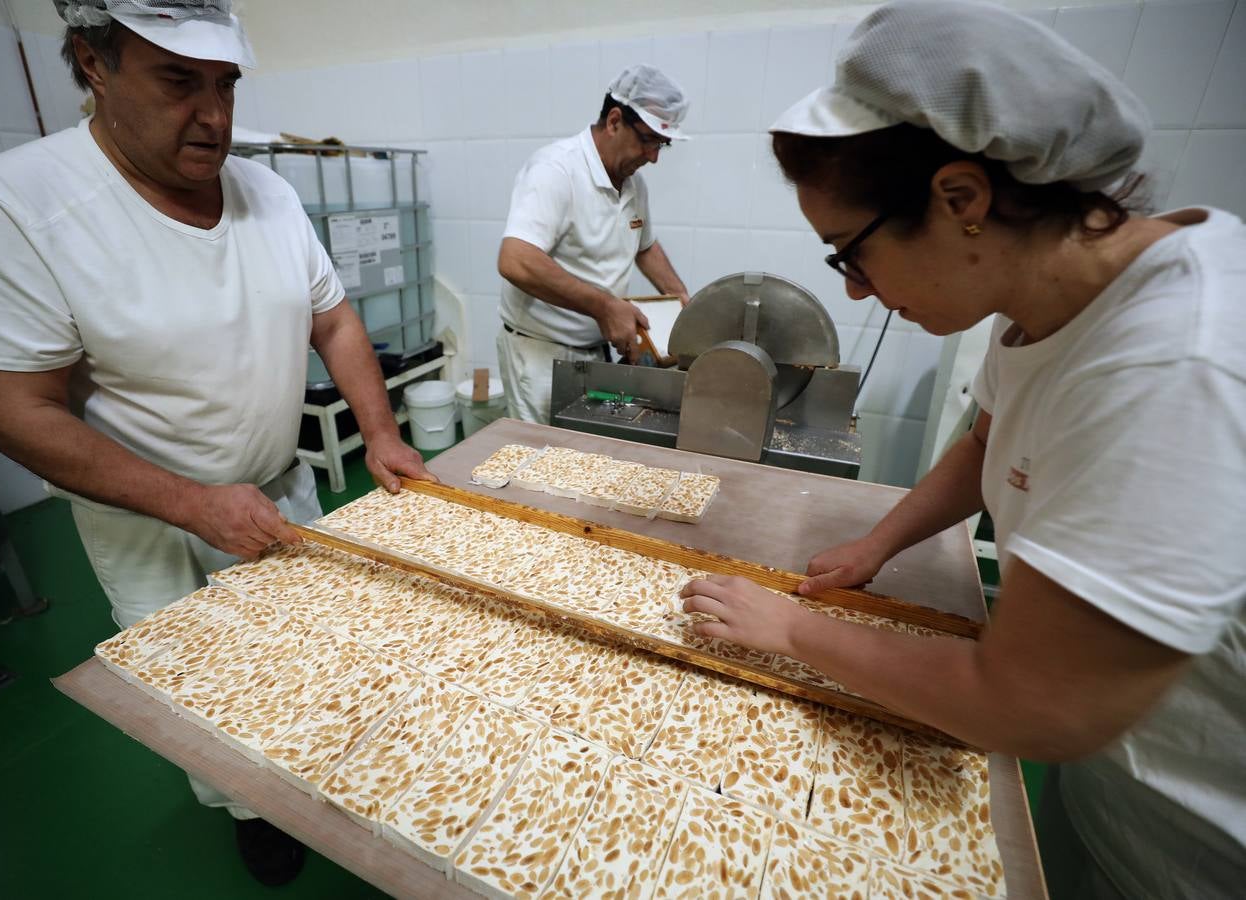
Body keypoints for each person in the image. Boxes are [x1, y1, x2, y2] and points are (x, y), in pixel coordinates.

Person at [678, 3, 1245, 898]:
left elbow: (1035, 703)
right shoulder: (1053, 294)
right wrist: (877, 545)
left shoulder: (1177, 362)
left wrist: (791, 629)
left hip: (1203, 838)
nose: (856, 291)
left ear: (962, 200)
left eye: (850, 253)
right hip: (1116, 787)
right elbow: (989, 437)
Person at [0, 0, 430, 885]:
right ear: (93, 63)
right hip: (152, 524)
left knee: (309, 662)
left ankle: (315, 778)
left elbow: (334, 320)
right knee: (211, 697)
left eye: (225, 85)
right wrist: (193, 503)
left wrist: (382, 435)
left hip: (279, 492)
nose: (213, 116)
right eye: (177, 82)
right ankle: (252, 813)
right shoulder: (18, 205)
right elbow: (14, 408)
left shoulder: (268, 195)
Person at [496, 64, 692, 424]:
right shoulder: (556, 170)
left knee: (587, 449)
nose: (653, 157)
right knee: (544, 452)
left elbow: (645, 246)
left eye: (661, 145)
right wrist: (605, 307)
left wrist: (683, 302)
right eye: (648, 140)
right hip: (542, 353)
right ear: (614, 121)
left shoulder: (633, 184)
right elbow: (516, 259)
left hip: (596, 350)